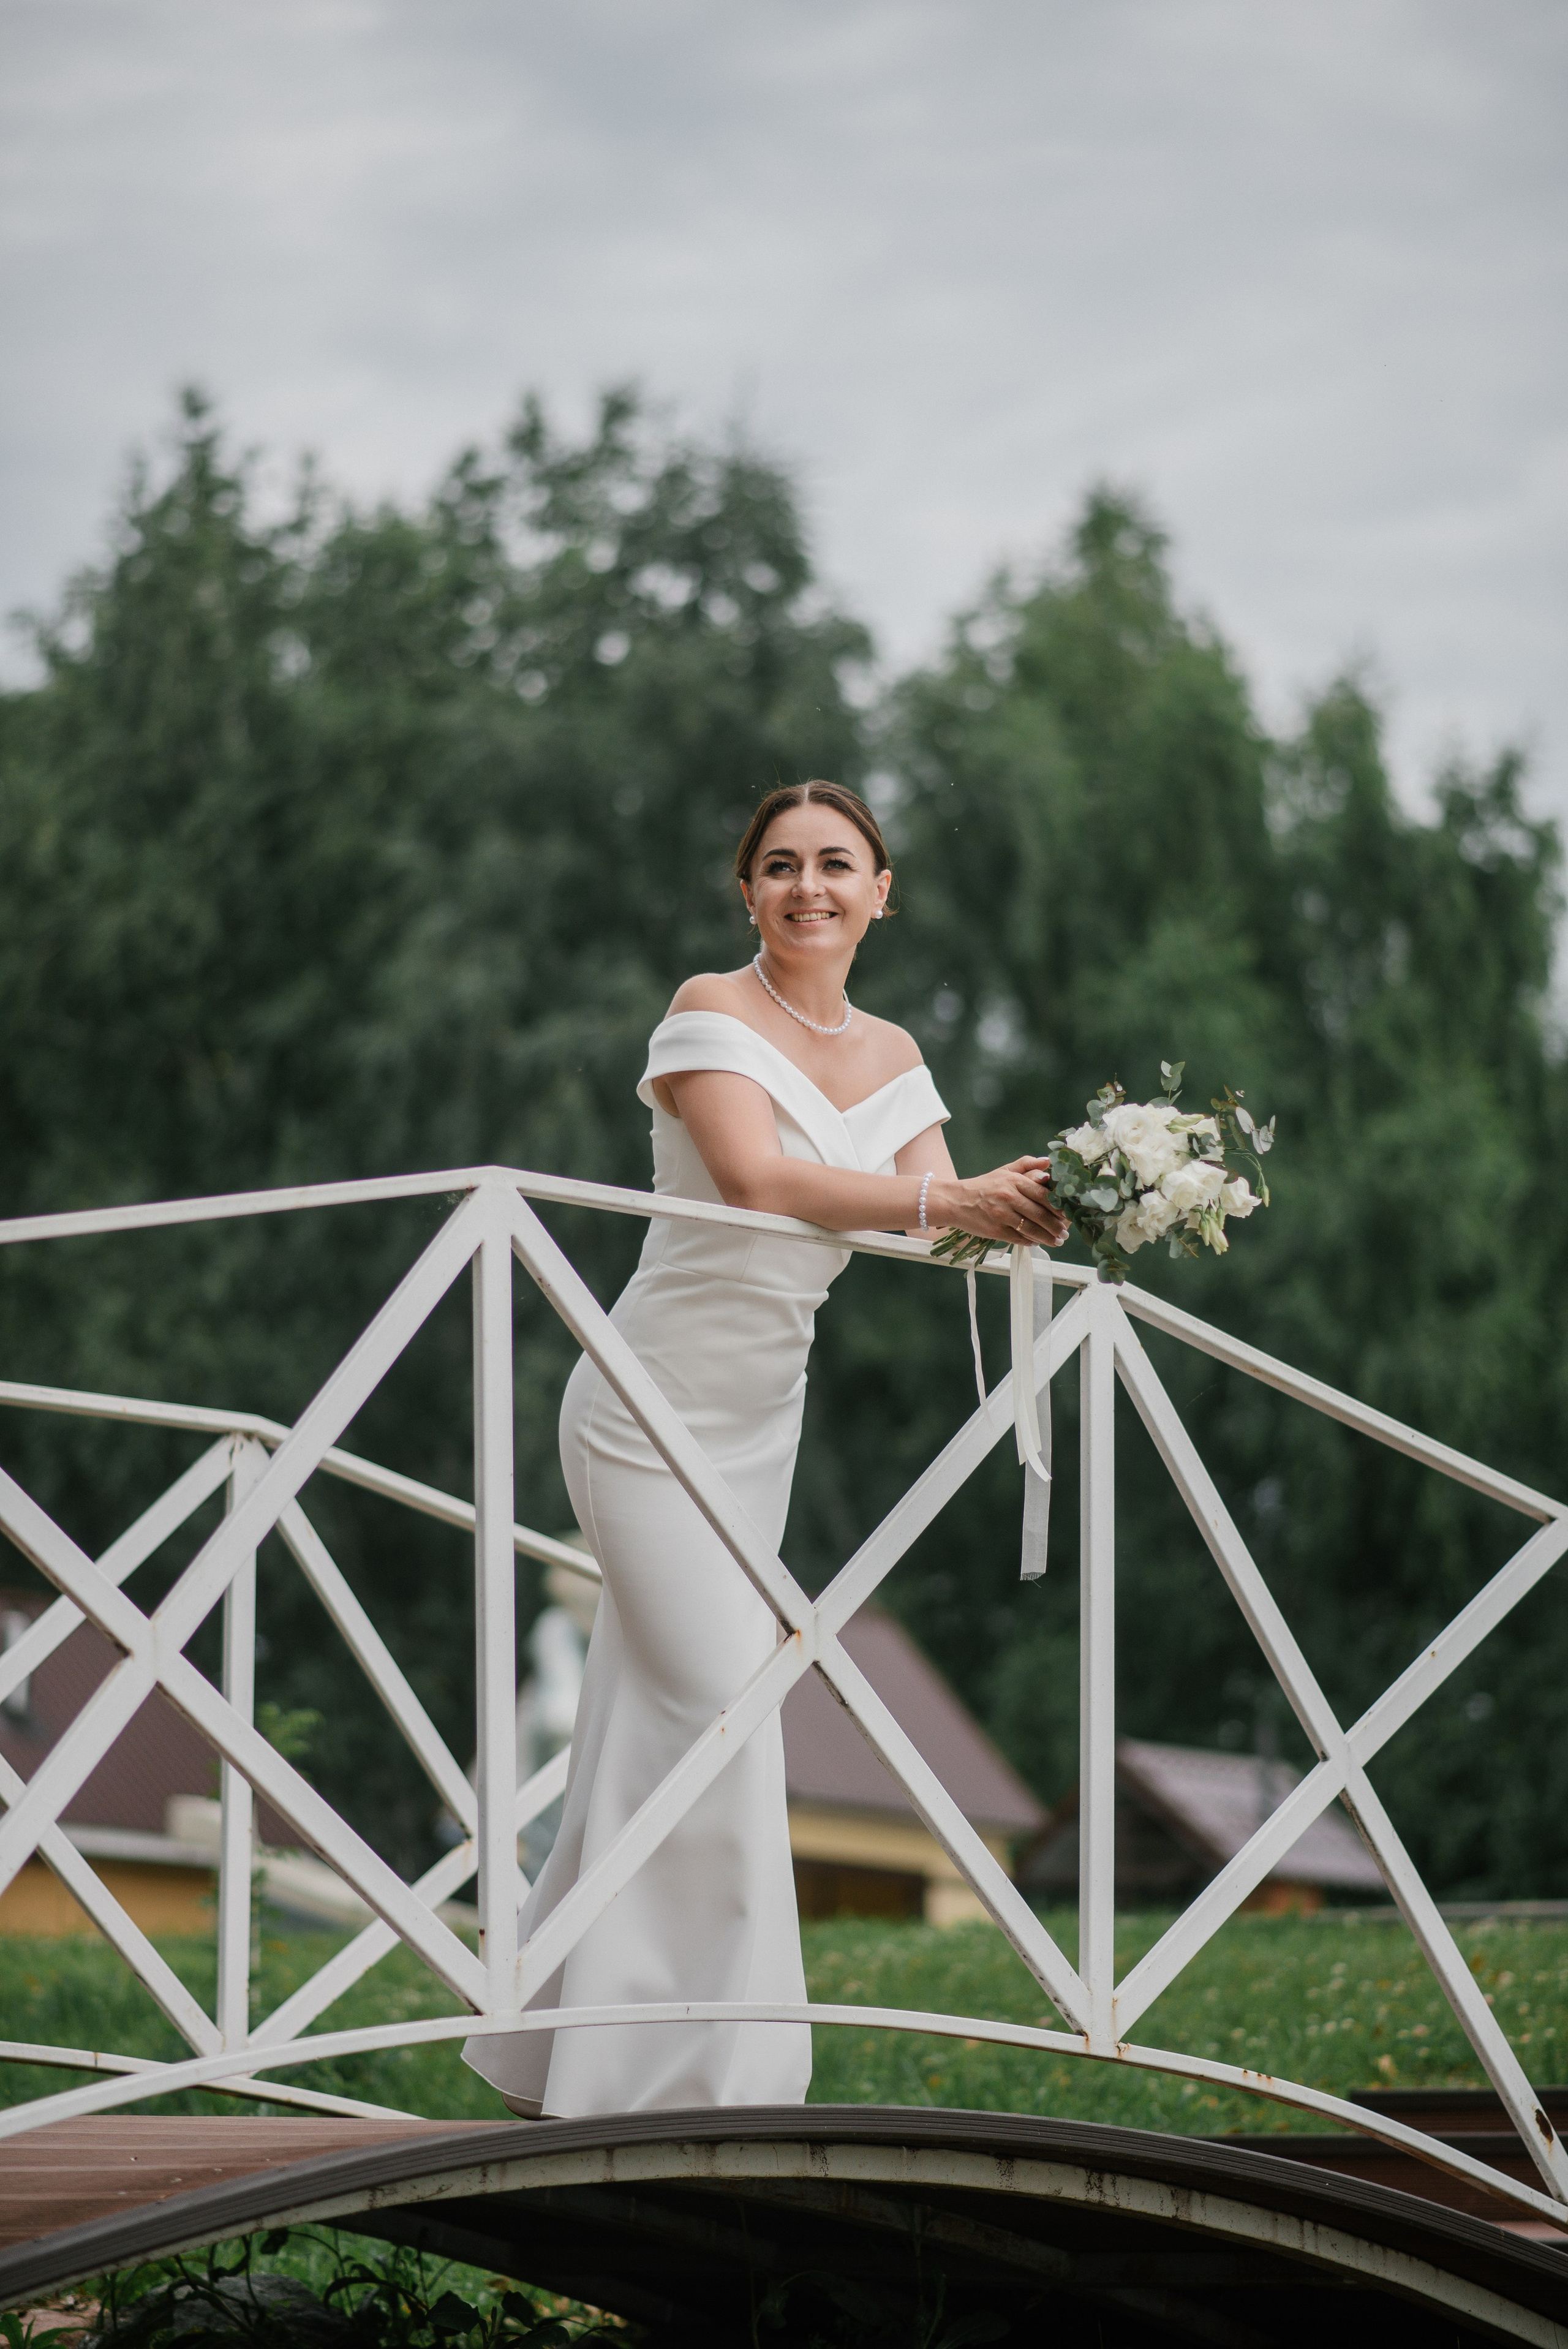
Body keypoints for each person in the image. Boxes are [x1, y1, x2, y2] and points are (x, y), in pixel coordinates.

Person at [463, 780, 1065, 2119]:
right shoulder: (707, 1012)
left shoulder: (899, 1054)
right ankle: (734, 2067)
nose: (809, 886)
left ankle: (554, 2051)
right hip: (642, 1406)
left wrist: (1056, 1197)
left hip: (759, 1426)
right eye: (780, 865)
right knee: (719, 1715)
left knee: (648, 1723)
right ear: (746, 891)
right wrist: (944, 1195)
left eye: (836, 865)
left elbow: (937, 1220)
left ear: (880, 891)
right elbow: (761, 1181)